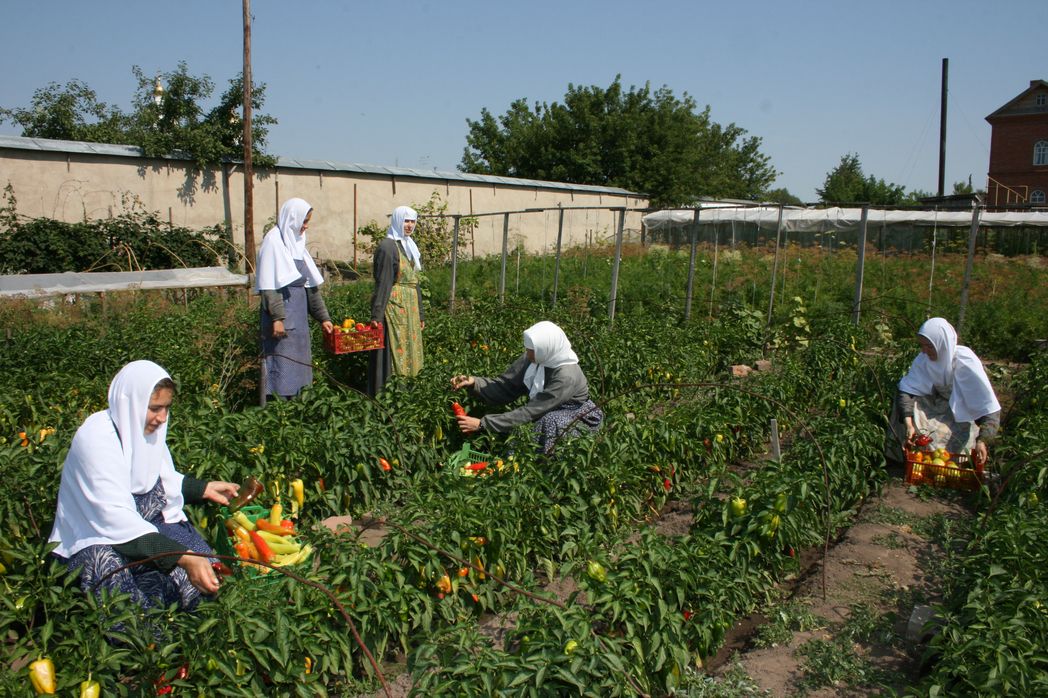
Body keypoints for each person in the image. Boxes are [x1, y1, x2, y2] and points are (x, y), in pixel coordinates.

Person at [49, 360, 240, 611]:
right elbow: (114, 518)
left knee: (207, 571)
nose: (162, 418)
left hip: (144, 530)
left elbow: (157, 478)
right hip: (98, 538)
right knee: (108, 571)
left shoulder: (139, 429)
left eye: (167, 408)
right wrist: (180, 557)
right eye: (154, 408)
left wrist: (202, 489)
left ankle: (185, 623)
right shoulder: (96, 438)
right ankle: (136, 634)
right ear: (131, 403)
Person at [450, 321, 603, 453]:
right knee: (530, 428)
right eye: (528, 349)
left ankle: (551, 470)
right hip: (541, 409)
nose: (528, 354)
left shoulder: (566, 375)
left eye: (533, 350)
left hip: (574, 416)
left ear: (547, 348)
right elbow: (506, 386)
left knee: (548, 422)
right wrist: (474, 382)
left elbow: (532, 412)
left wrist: (483, 424)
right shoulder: (535, 358)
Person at [890, 317, 1001, 466]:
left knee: (957, 447)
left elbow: (988, 407)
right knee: (903, 401)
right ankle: (904, 458)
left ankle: (949, 462)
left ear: (942, 344)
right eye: (922, 345)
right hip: (937, 406)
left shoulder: (965, 363)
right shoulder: (923, 360)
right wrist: (908, 424)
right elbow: (907, 390)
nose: (924, 351)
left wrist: (983, 440)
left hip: (962, 414)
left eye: (929, 346)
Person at [256, 197, 334, 402]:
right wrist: (277, 318)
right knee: (281, 365)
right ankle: (277, 409)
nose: (306, 226)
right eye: (304, 221)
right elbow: (269, 286)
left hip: (298, 320)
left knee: (299, 367)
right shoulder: (273, 242)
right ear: (293, 218)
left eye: (307, 221)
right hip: (281, 318)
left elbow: (310, 286)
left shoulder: (298, 244)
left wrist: (323, 317)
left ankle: (297, 408)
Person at [367, 205, 424, 396]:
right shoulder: (388, 247)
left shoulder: (409, 245)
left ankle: (410, 393)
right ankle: (391, 394)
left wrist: (421, 313)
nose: (409, 225)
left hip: (410, 309)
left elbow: (414, 282)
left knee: (410, 351)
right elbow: (383, 282)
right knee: (395, 348)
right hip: (394, 308)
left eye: (413, 221)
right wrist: (377, 315)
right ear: (397, 221)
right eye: (406, 221)